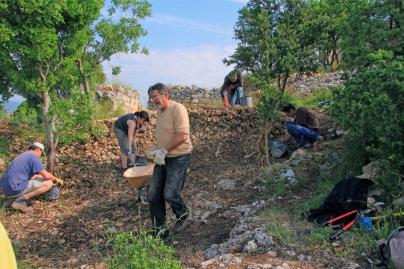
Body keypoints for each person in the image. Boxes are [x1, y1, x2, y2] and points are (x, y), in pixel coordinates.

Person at [147, 83, 193, 239]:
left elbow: (183, 136)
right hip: (163, 157)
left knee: (170, 194)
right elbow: (165, 136)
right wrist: (156, 149)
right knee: (153, 196)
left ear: (165, 93)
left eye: (155, 96)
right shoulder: (160, 111)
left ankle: (183, 215)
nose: (153, 100)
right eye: (151, 98)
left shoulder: (178, 109)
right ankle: (161, 233)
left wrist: (164, 150)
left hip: (179, 156)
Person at [0, 142, 55, 213]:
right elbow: (46, 175)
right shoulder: (33, 157)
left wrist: (41, 177)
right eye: (41, 154)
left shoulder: (22, 156)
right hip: (14, 189)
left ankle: (12, 199)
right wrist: (55, 179)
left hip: (6, 190)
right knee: (49, 183)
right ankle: (20, 201)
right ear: (38, 150)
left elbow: (33, 176)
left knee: (37, 179)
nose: (40, 156)